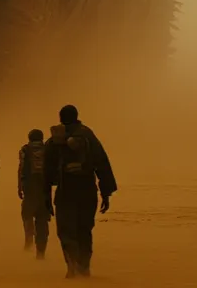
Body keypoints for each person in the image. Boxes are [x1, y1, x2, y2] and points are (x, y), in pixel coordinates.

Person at [44, 105, 118, 279]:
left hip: (65, 192)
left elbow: (46, 170)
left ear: (61, 118)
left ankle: (71, 265)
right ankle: (84, 267)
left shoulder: (55, 139)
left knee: (65, 230)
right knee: (84, 230)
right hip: (87, 191)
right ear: (77, 117)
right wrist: (105, 193)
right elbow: (102, 163)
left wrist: (45, 195)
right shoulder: (88, 135)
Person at [18, 129, 51, 257]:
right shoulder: (47, 149)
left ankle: (28, 241)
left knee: (27, 215)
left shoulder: (25, 149)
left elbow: (21, 169)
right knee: (42, 219)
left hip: (29, 187)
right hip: (44, 188)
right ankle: (41, 251)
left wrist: (19, 187)